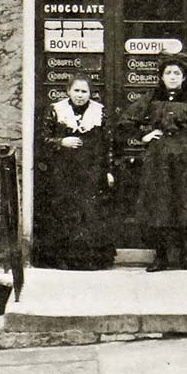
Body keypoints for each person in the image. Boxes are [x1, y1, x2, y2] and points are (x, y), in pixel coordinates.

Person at [119, 55, 187, 272]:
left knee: (186, 206)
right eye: (168, 73)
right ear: (161, 77)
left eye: (177, 73)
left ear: (183, 77)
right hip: (158, 161)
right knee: (158, 208)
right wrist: (144, 135)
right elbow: (125, 122)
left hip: (184, 161)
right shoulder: (151, 99)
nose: (172, 77)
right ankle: (160, 257)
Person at [35, 75, 115, 270]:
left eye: (84, 91)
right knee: (64, 211)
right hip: (64, 171)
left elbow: (108, 144)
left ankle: (90, 260)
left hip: (91, 171)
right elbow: (42, 139)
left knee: (89, 212)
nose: (80, 95)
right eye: (77, 91)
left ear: (90, 93)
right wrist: (61, 142)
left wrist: (109, 170)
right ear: (68, 91)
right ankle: (63, 259)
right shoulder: (55, 110)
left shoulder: (100, 112)